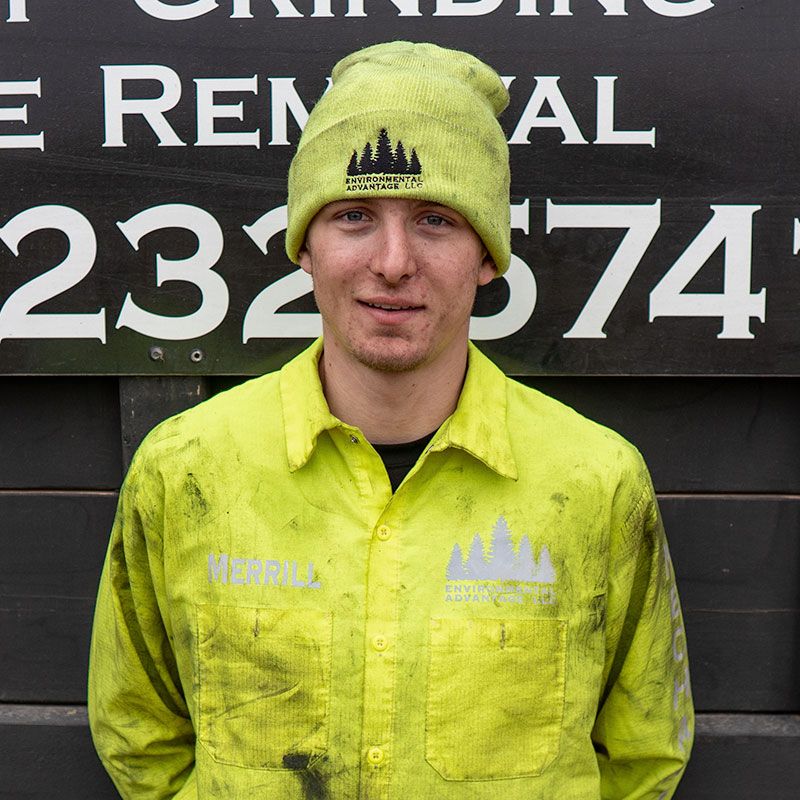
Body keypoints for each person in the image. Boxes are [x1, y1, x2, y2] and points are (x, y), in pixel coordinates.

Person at [88, 41, 693, 800]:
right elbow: (137, 732)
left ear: (488, 255)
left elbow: (645, 755)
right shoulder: (186, 468)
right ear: (305, 245)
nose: (394, 261)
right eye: (353, 216)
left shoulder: (596, 480)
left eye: (436, 220)